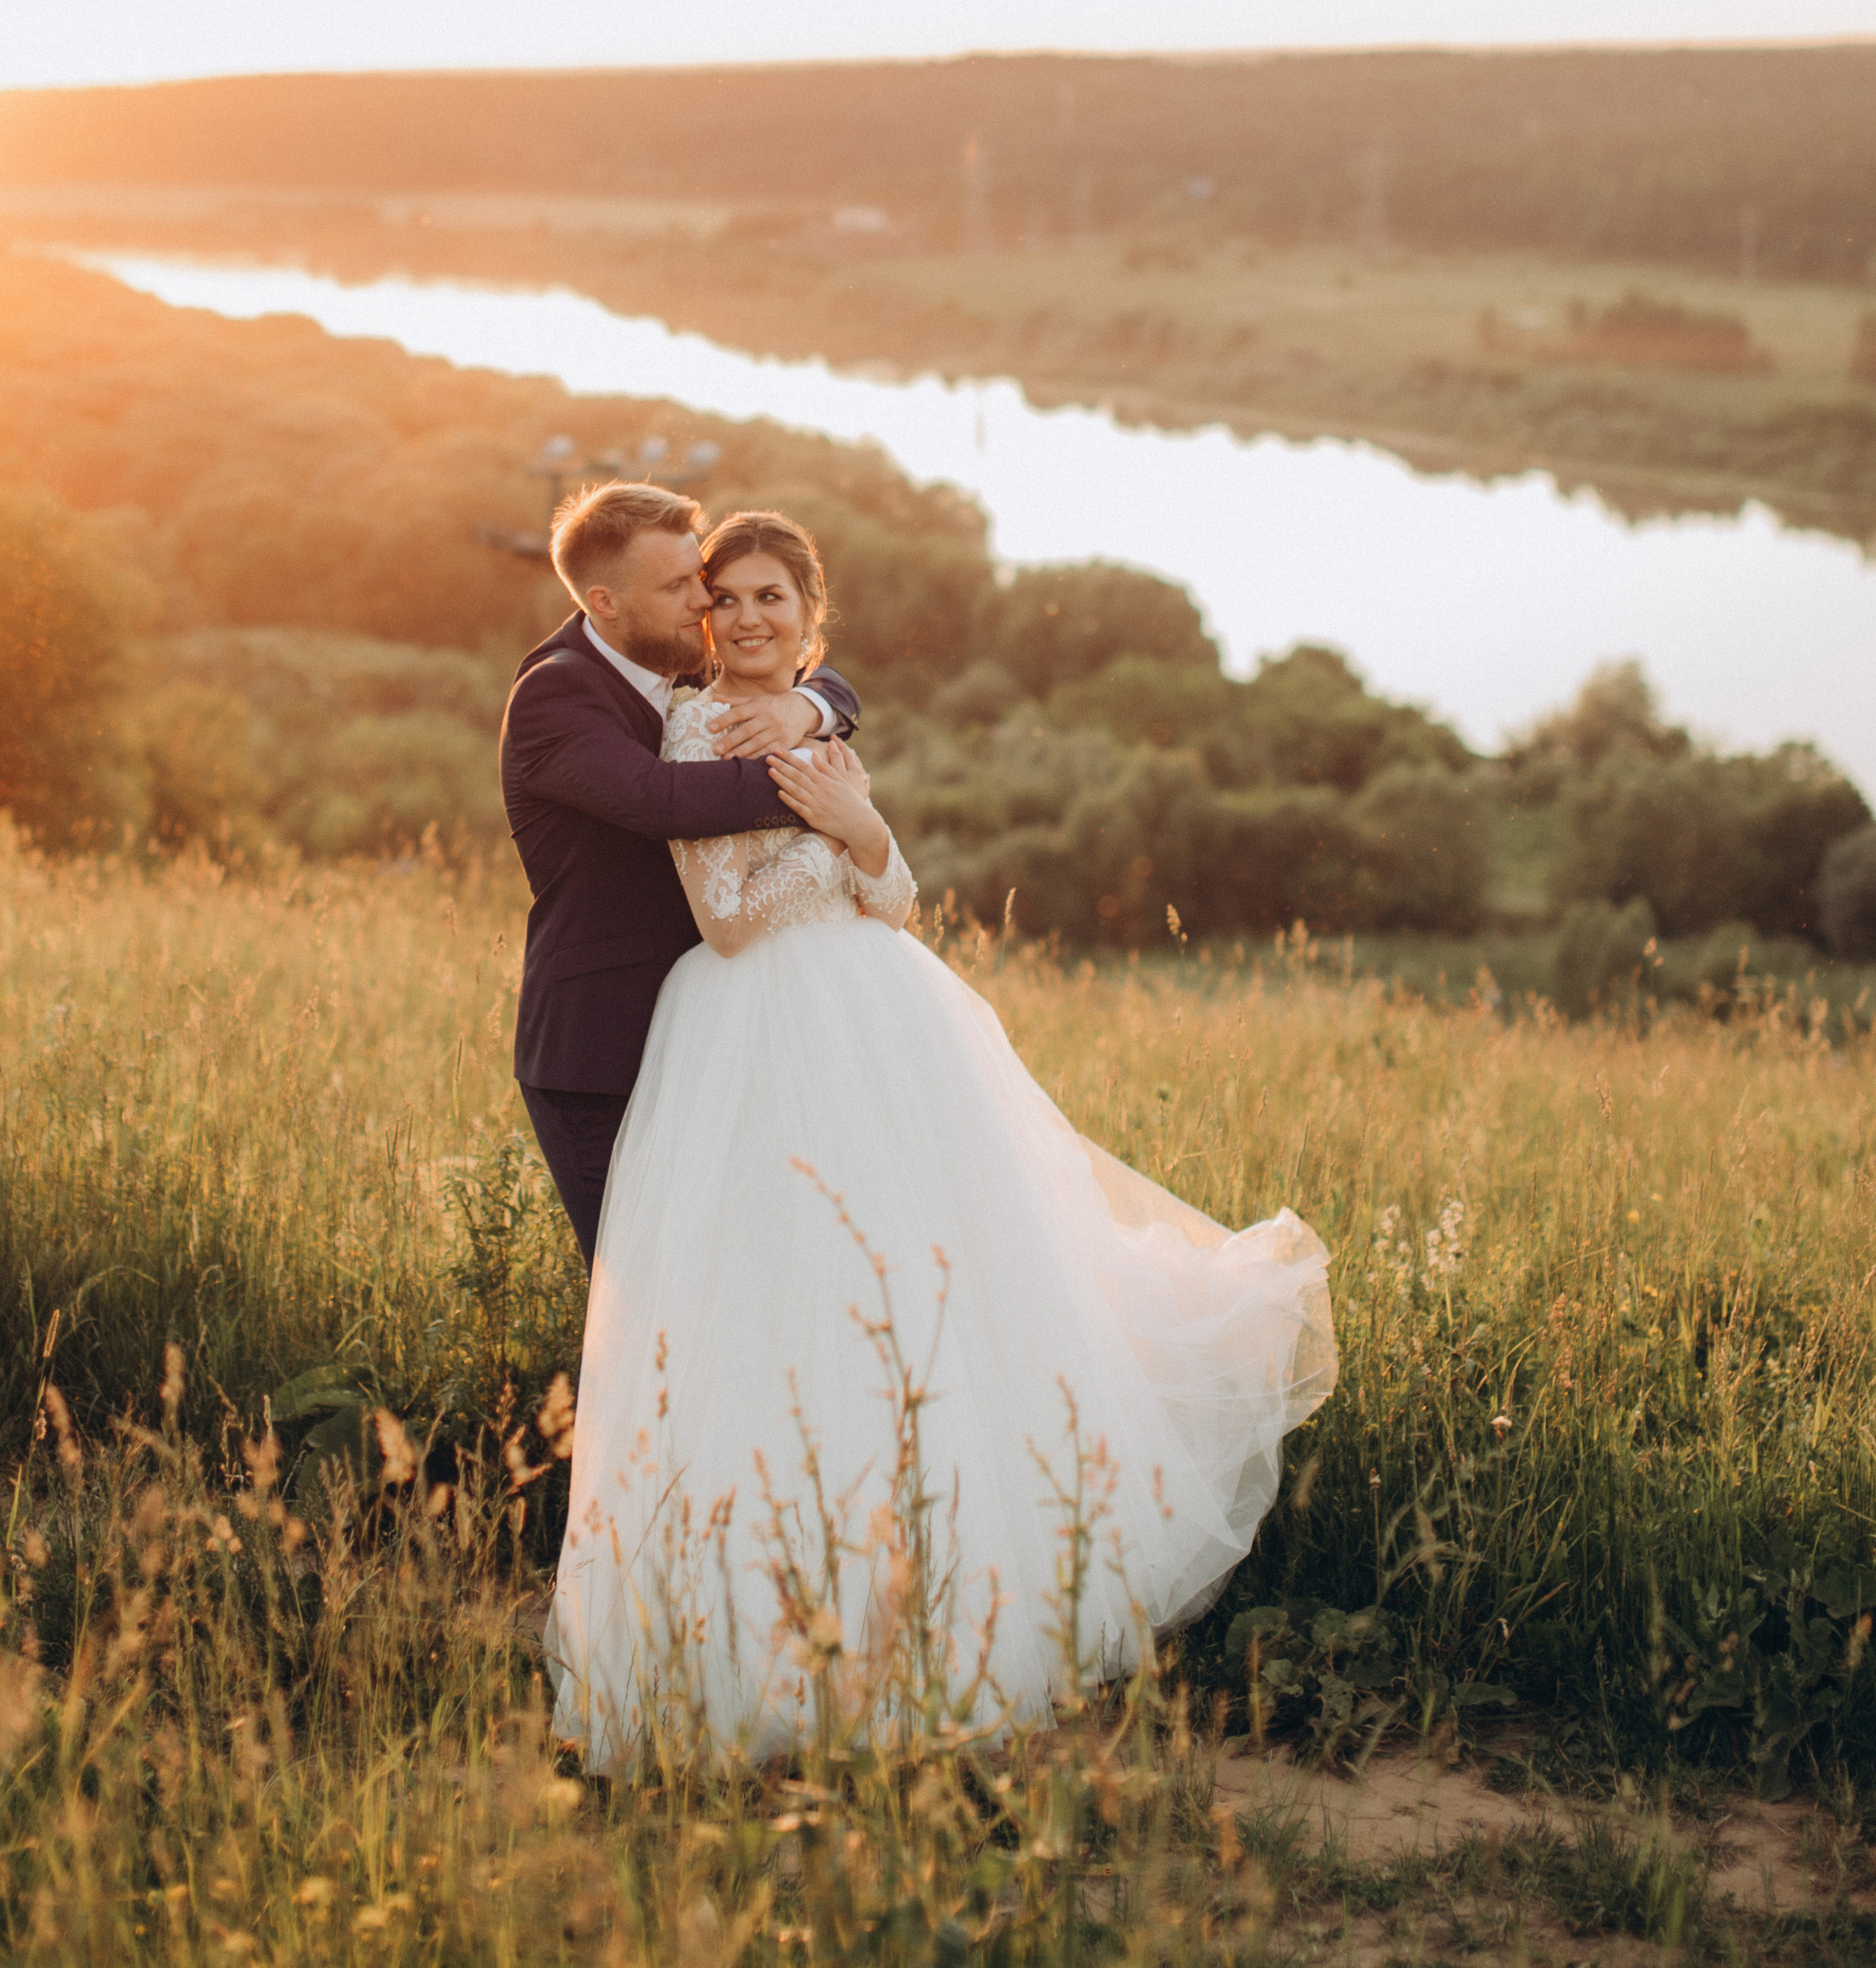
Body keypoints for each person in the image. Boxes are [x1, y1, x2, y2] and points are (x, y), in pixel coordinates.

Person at [546, 509, 1337, 1773]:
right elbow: (732, 922)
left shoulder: (815, 716)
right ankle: (771, 1632)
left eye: (772, 600)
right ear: (704, 616)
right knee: (785, 1314)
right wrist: (827, 823)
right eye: (729, 600)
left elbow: (897, 901)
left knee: (935, 1290)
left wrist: (856, 828)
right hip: (757, 1038)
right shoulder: (698, 726)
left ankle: (948, 1600)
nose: (749, 620)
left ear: (811, 617)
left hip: (888, 1027)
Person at [499, 481, 864, 1267]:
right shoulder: (555, 693)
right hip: (598, 1054)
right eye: (679, 587)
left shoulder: (669, 664)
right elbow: (659, 800)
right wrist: (820, 795)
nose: (704, 602)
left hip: (702, 1035)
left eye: (698, 577)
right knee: (643, 1288)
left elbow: (813, 669)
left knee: (730, 1270)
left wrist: (815, 710)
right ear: (603, 600)